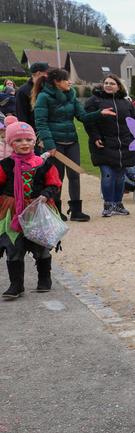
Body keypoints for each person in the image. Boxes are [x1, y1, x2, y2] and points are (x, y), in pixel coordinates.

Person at [32, 68, 115, 222]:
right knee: (56, 177)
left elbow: (82, 116)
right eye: (67, 79)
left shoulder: (71, 96)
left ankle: (76, 211)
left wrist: (99, 113)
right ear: (57, 82)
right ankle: (56, 211)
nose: (70, 82)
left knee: (74, 175)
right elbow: (41, 123)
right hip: (54, 143)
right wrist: (49, 145)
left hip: (72, 142)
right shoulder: (43, 97)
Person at [0, 116, 61, 298]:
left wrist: (46, 194)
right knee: (13, 246)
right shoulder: (5, 165)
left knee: (41, 245)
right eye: (18, 140)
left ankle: (44, 279)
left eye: (28, 139)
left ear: (34, 141)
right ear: (10, 143)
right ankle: (16, 285)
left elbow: (54, 183)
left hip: (38, 208)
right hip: (11, 210)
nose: (24, 143)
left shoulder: (44, 164)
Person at [83, 74, 135, 218]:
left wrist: (134, 138)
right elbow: (88, 121)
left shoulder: (127, 103)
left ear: (118, 86)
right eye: (106, 83)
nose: (108, 85)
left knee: (120, 176)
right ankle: (108, 204)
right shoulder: (94, 101)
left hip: (123, 145)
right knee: (108, 175)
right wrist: (95, 137)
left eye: (112, 83)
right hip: (104, 143)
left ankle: (118, 203)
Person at [15, 62, 49, 130]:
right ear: (39, 73)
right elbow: (21, 116)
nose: (48, 76)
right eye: (47, 73)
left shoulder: (48, 88)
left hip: (49, 130)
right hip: (33, 132)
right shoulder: (22, 91)